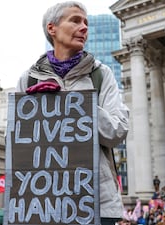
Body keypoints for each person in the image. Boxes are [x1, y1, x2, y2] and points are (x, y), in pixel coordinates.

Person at [15, 1, 129, 225]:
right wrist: (34, 109)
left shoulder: (101, 74)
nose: (85, 27)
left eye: (86, 22)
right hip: (43, 202)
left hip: (96, 204)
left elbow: (118, 131)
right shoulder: (28, 79)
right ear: (52, 29)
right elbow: (17, 145)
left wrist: (77, 104)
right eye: (76, 20)